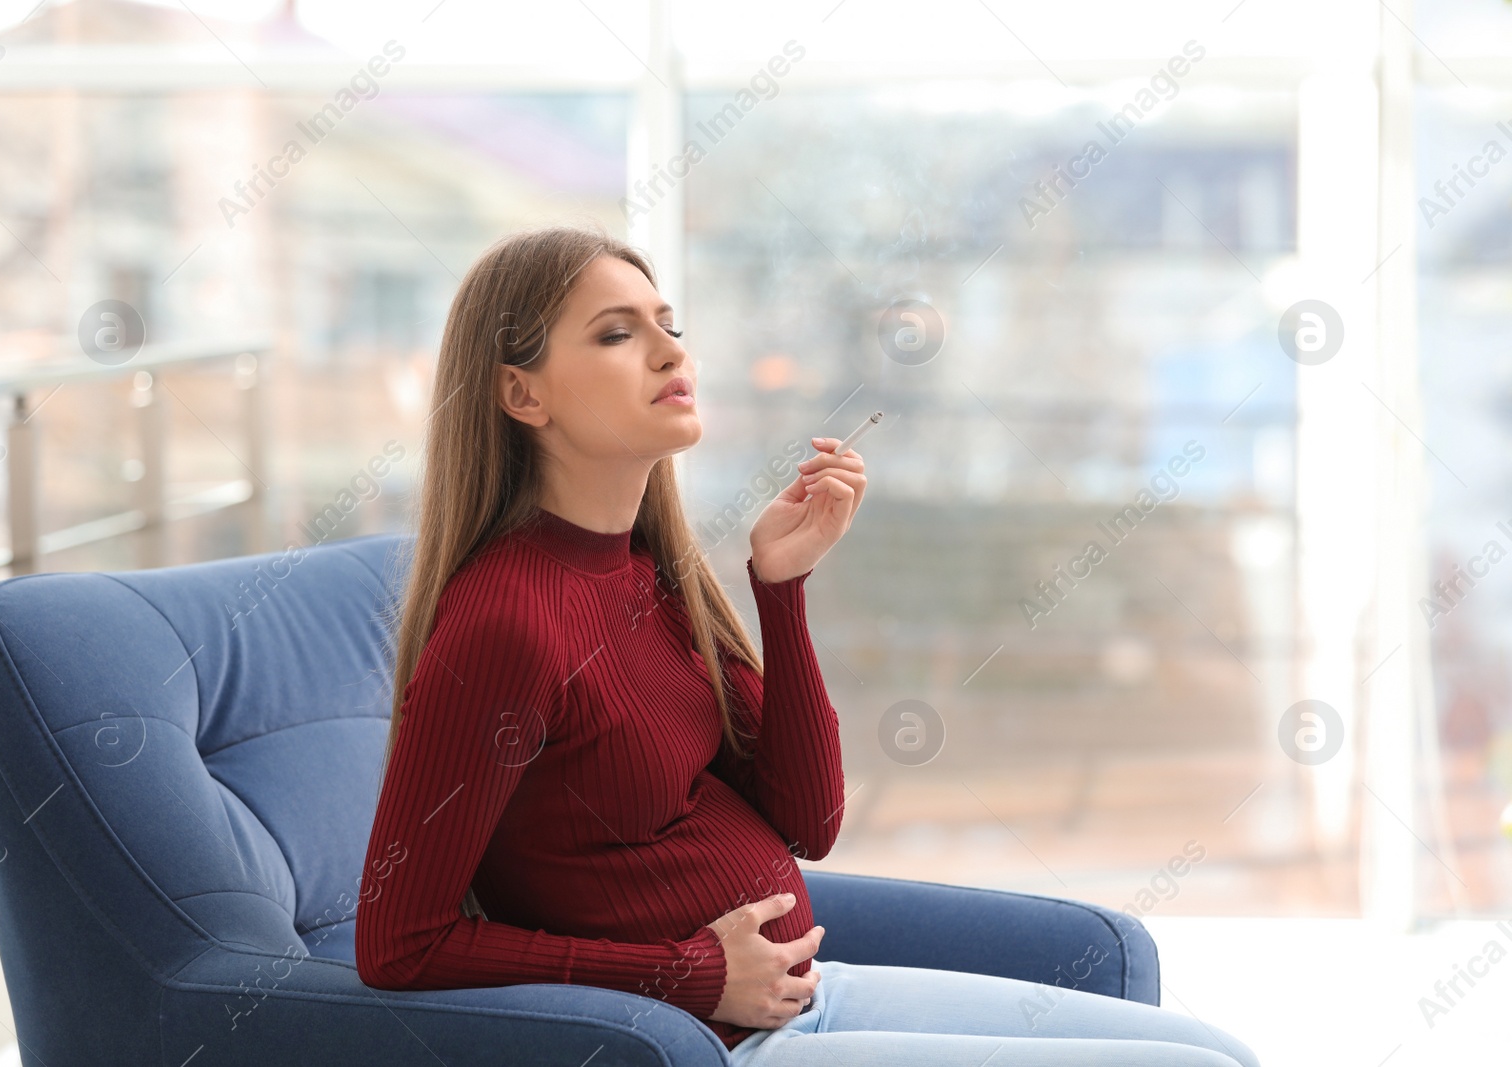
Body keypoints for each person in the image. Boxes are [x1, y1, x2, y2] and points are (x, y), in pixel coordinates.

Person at [354, 224, 1258, 1067]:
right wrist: (691, 973)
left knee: (1223, 1052)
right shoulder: (503, 622)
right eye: (616, 334)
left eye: (668, 324)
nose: (674, 352)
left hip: (807, 997)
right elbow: (400, 942)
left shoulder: (652, 578)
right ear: (523, 392)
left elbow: (810, 817)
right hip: (723, 1042)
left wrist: (780, 589)